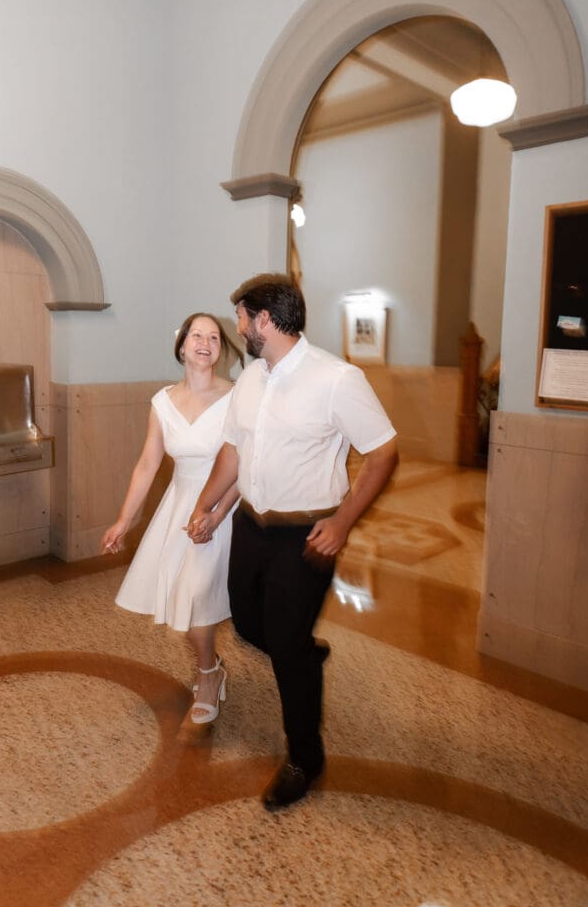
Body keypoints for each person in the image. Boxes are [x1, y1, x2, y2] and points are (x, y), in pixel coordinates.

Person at [187, 274, 397, 808]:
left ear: (263, 320)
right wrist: (207, 505)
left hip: (306, 535)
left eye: (240, 317)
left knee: (282, 643)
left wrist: (344, 522)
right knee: (249, 621)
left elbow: (383, 453)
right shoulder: (251, 377)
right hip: (251, 526)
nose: (236, 327)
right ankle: (301, 647)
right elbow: (233, 453)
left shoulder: (337, 379)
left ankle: (306, 756)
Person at [102, 313, 243, 725]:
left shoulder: (236, 397)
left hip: (224, 507)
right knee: (182, 601)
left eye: (214, 336)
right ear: (181, 346)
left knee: (196, 594)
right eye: (196, 335)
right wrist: (124, 520)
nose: (205, 341)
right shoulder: (162, 403)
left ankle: (208, 675)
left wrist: (217, 514)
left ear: (221, 350)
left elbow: (244, 464)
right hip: (180, 505)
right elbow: (147, 464)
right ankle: (211, 663)